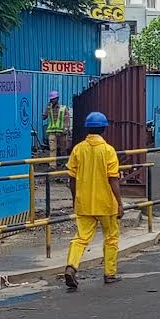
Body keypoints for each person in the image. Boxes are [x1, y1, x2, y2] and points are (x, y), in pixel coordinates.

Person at [63, 110, 122, 290]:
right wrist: (120, 202)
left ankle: (71, 266)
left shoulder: (78, 149)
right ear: (104, 129)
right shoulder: (108, 151)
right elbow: (113, 179)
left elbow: (71, 179)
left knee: (81, 238)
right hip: (106, 204)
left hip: (84, 203)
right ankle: (109, 274)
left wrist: (75, 199)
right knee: (111, 238)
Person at [43, 92, 71, 163]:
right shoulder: (49, 107)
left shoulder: (63, 108)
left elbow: (67, 120)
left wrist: (66, 129)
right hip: (52, 132)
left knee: (63, 149)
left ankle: (64, 163)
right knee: (52, 149)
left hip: (61, 132)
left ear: (57, 99)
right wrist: (46, 110)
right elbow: (43, 117)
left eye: (54, 99)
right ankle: (52, 165)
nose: (52, 100)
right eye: (51, 99)